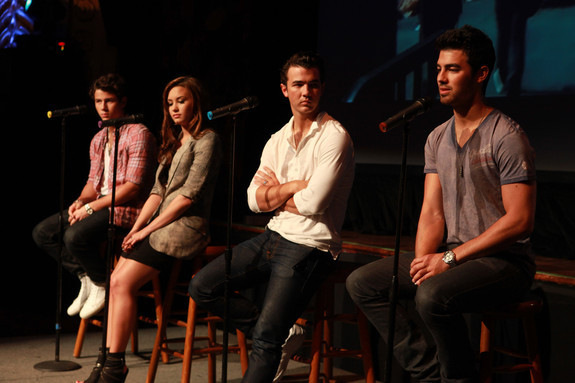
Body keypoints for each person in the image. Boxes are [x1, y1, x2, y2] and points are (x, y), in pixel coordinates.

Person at [346, 25, 537, 382]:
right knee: (364, 283)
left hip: (505, 262)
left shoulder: (507, 136)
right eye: (438, 69)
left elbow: (519, 221)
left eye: (452, 69)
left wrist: (448, 259)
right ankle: (433, 373)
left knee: (432, 296)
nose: (440, 78)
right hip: (454, 254)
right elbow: (432, 211)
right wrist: (422, 262)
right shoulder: (436, 137)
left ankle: (458, 377)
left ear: (480, 74)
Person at [188, 51, 355, 383]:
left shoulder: (334, 136)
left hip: (311, 244)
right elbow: (252, 199)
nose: (306, 92)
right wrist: (293, 187)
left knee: (265, 340)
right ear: (284, 90)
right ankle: (281, 332)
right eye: (298, 85)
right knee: (202, 286)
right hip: (274, 235)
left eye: (313, 85)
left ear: (322, 88)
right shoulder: (276, 140)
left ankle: (272, 334)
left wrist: (275, 196)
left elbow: (314, 204)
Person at [77, 76, 222, 383]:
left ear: (196, 101)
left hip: (185, 226)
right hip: (158, 224)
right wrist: (137, 227)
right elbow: (156, 192)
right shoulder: (174, 141)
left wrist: (145, 232)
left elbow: (186, 198)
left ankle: (114, 369)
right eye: (170, 103)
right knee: (115, 280)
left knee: (124, 281)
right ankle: (109, 364)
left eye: (181, 101)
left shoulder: (207, 140)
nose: (174, 109)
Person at [32, 73, 157, 320]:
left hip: (128, 210)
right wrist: (79, 202)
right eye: (99, 101)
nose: (103, 107)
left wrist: (90, 208)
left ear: (122, 101)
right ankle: (86, 277)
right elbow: (93, 183)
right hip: (101, 206)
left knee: (74, 235)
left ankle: (101, 283)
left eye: (109, 101)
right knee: (43, 233)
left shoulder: (138, 133)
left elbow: (132, 188)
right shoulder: (99, 138)